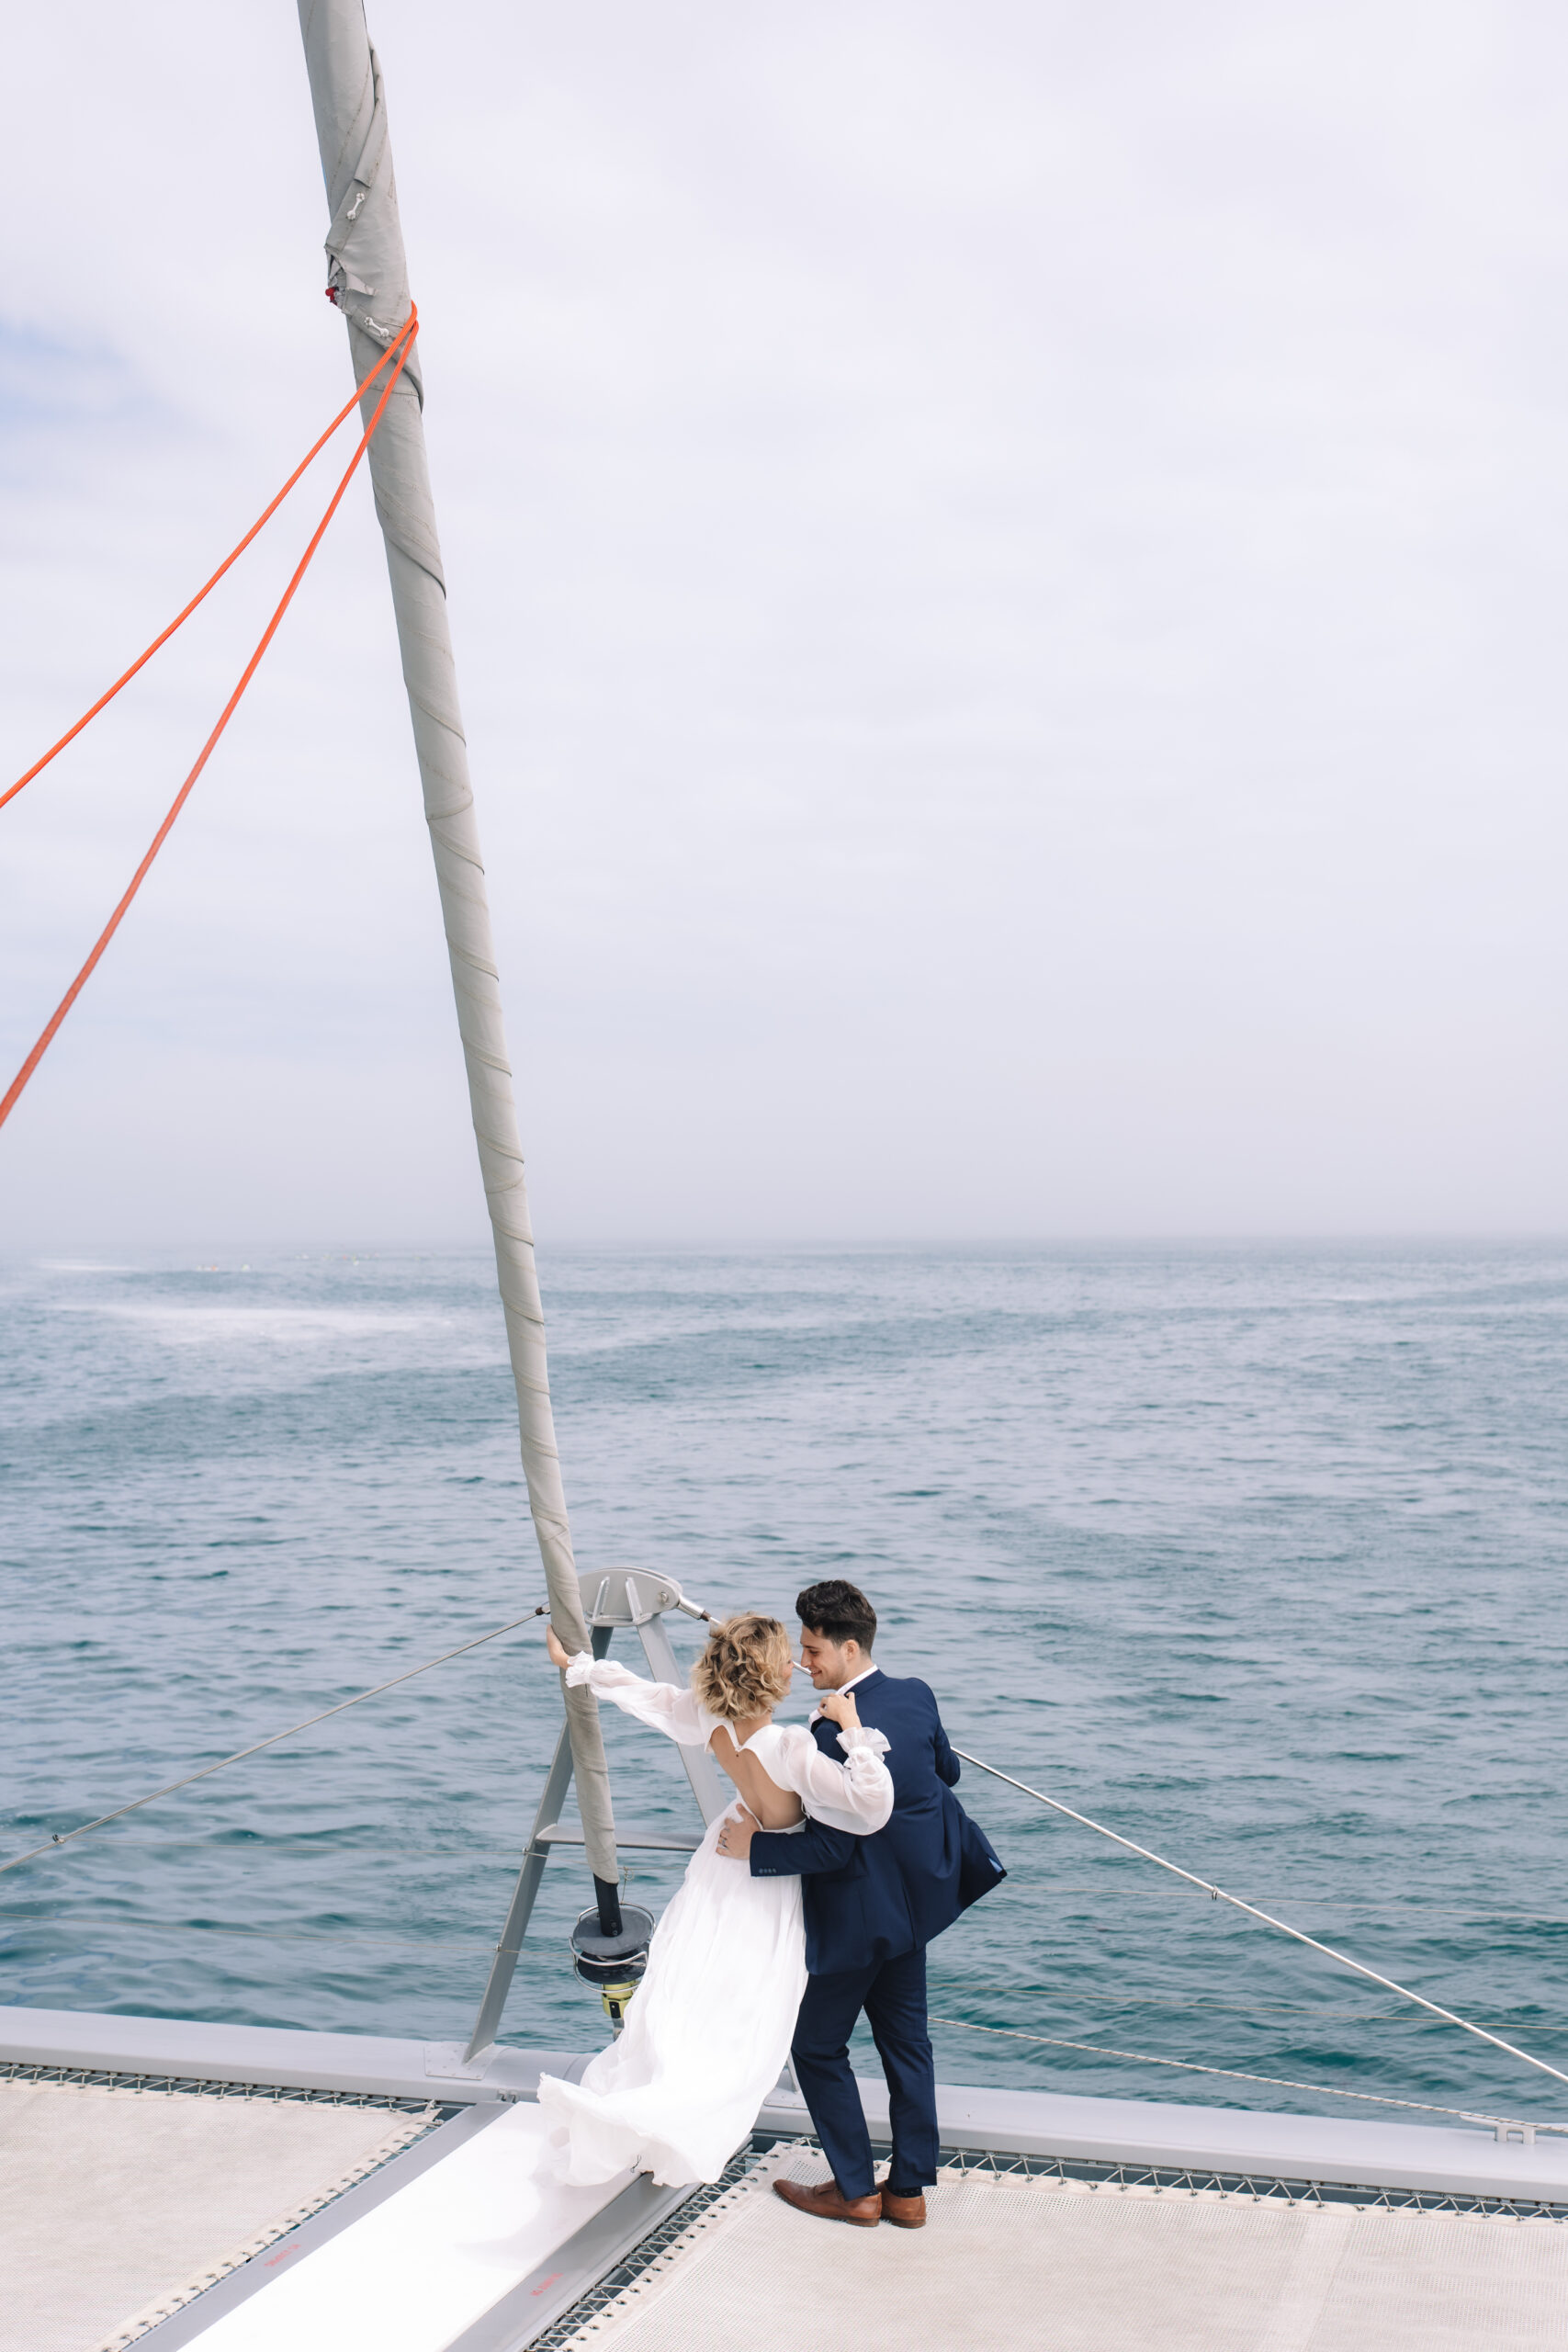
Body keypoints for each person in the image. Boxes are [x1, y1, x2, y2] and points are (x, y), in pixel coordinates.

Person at [534, 1611, 893, 2188]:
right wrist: (854, 1731)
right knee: (742, 2015)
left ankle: (646, 2105)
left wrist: (580, 1666)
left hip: (720, 1866)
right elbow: (871, 1806)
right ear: (776, 1672)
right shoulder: (789, 1745)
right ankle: (671, 2111)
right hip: (767, 1882)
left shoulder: (711, 1721)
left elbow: (651, 1698)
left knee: (691, 1989)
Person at [716, 1578, 1005, 2230]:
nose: (803, 1664)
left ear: (848, 1650)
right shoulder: (915, 1695)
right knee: (907, 2044)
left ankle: (853, 2190)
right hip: (920, 1907)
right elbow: (946, 1774)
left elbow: (830, 1851)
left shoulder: (822, 1736)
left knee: (816, 2046)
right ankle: (906, 2192)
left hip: (856, 1917)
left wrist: (753, 1847)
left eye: (814, 1652)